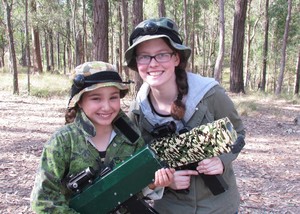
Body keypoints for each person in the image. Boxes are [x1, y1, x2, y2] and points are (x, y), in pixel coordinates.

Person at [125, 17, 246, 214]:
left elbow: (238, 132)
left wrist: (221, 161)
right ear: (136, 63)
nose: (153, 64)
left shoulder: (209, 94)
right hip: (170, 208)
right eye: (144, 56)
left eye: (162, 54)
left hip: (219, 207)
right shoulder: (138, 110)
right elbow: (136, 162)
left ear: (176, 58)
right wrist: (165, 181)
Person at [30, 61, 175, 213]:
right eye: (96, 99)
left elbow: (128, 192)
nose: (106, 107)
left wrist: (151, 184)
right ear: (79, 101)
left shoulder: (131, 137)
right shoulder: (63, 142)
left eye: (113, 97)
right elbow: (43, 202)